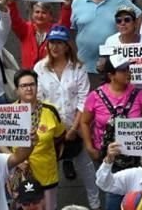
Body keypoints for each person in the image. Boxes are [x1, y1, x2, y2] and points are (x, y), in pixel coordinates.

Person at [80, 55, 142, 210]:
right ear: (111, 75)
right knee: (113, 203)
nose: (128, 73)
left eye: (129, 69)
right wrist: (89, 146)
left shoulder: (139, 95)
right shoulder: (95, 96)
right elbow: (84, 121)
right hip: (108, 159)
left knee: (137, 201)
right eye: (123, 70)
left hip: (135, 159)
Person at [35, 25, 97, 196]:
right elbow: (39, 100)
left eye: (59, 43)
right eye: (52, 42)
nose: (55, 47)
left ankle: (95, 202)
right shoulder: (40, 68)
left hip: (75, 125)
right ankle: (49, 208)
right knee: (49, 169)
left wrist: (75, 128)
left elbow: (83, 99)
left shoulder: (78, 68)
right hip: (50, 128)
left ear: (67, 45)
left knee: (86, 167)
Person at [71, 0, 141, 79]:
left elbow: (138, 16)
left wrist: (131, 40)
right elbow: (73, 30)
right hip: (83, 66)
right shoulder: (78, 0)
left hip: (112, 68)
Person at [12, 69, 65, 210]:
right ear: (17, 90)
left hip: (46, 174)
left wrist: (53, 159)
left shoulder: (50, 110)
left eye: (32, 84)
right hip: (21, 174)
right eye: (23, 86)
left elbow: (60, 137)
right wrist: (16, 160)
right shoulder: (8, 113)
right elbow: (0, 143)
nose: (29, 88)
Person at [8, 0, 72, 69]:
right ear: (32, 14)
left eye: (44, 13)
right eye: (37, 12)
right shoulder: (26, 29)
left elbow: (64, 25)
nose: (40, 15)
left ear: (50, 16)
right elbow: (15, 21)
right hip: (29, 75)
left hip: (50, 74)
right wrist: (11, 4)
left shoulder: (55, 31)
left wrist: (66, 7)